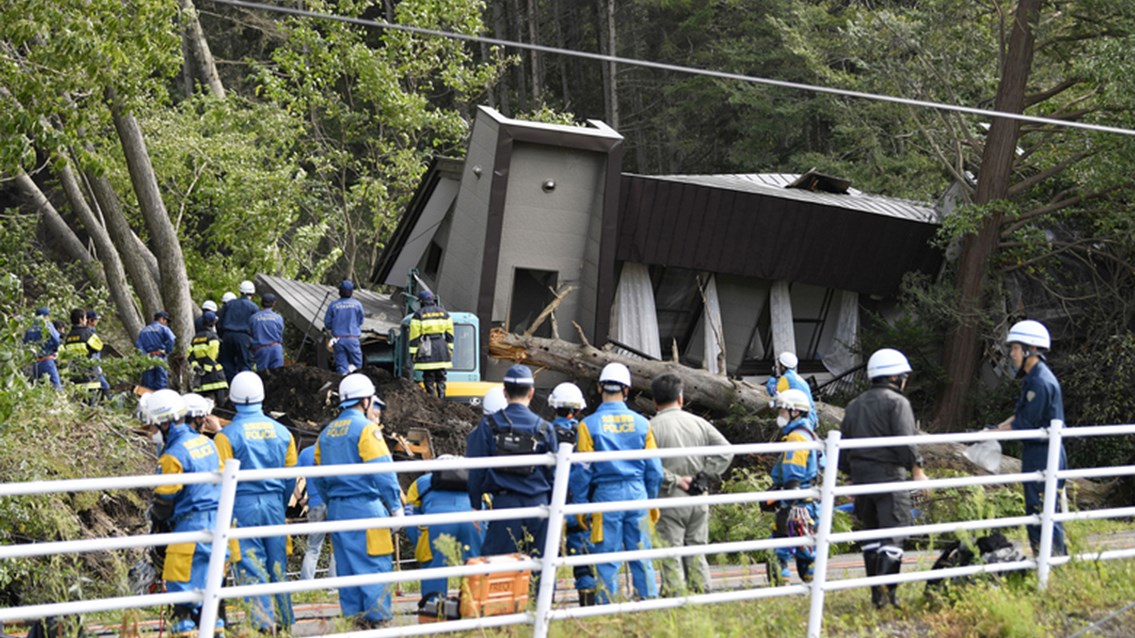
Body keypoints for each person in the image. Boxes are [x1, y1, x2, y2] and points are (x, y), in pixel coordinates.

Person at [839, 348, 928, 609]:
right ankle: (890, 595)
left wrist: (849, 478)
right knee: (894, 535)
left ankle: (875, 596)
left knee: (871, 537)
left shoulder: (854, 405)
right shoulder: (898, 403)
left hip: (861, 480)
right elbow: (904, 441)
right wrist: (917, 469)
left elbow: (844, 446)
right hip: (890, 479)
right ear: (895, 377)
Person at [313, 374, 403, 628]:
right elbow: (382, 470)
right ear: (365, 400)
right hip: (366, 507)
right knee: (374, 565)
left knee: (348, 567)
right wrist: (395, 506)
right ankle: (378, 622)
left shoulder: (327, 433)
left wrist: (332, 500)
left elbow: (317, 474)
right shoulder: (366, 429)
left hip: (338, 509)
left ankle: (355, 622)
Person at [572, 363, 663, 603]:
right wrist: (650, 500)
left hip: (606, 497)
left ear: (600, 387)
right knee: (642, 554)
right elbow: (655, 470)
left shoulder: (587, 425)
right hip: (637, 493)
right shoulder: (644, 424)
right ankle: (648, 601)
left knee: (606, 556)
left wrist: (581, 505)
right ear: (626, 390)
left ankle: (608, 606)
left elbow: (582, 472)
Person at [213, 371, 297, 631]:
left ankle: (262, 625)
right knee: (277, 563)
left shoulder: (225, 437)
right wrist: (280, 503)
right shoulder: (284, 433)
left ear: (233, 398)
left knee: (250, 563)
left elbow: (220, 482)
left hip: (241, 505)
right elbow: (290, 478)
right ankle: (285, 621)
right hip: (274, 503)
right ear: (262, 396)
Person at [145, 389, 226, 638]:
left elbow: (164, 502)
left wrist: (158, 533)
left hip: (188, 530)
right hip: (218, 526)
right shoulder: (207, 443)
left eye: (153, 427)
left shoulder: (173, 455)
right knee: (212, 595)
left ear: (166, 423)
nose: (152, 433)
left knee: (182, 598)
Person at [648, 373, 733, 596]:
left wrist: (675, 479)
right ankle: (702, 592)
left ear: (655, 401)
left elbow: (648, 463)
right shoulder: (699, 423)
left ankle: (676, 597)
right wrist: (704, 476)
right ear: (681, 398)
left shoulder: (651, 427)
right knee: (697, 549)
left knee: (671, 551)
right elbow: (726, 451)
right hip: (698, 495)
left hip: (670, 497)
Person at [466, 364, 557, 558]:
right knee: (540, 563)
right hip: (539, 505)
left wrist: (475, 504)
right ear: (531, 393)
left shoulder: (488, 425)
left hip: (505, 505)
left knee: (497, 566)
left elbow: (475, 469)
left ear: (505, 393)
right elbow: (554, 475)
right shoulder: (545, 428)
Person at [995, 320, 1068, 557]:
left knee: (1042, 511)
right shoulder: (1033, 377)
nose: (1012, 354)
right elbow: (1020, 414)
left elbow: (1026, 423)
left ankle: (1051, 562)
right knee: (1038, 509)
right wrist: (996, 429)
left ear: (1030, 350)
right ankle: (1047, 561)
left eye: (1015, 348)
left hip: (1044, 453)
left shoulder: (1040, 381)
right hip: (1039, 452)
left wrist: (995, 433)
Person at [405, 455, 484, 608]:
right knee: (475, 565)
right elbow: (487, 503)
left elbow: (410, 517)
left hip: (438, 521)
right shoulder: (474, 477)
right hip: (473, 520)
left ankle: (435, 612)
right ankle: (476, 608)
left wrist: (421, 547)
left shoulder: (421, 482)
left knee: (434, 568)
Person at [547, 382, 598, 605]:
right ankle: (587, 605)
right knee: (583, 561)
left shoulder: (544, 433)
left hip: (550, 506)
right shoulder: (585, 434)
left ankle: (545, 604)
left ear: (553, 406)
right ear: (578, 409)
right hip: (579, 507)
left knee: (547, 559)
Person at [768, 388, 820, 584]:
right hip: (810, 501)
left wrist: (785, 502)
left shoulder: (796, 438)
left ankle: (781, 581)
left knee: (781, 541)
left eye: (782, 411)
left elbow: (793, 472)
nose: (780, 416)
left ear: (795, 412)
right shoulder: (809, 433)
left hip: (796, 500)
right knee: (806, 544)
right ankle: (810, 578)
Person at [296, 443, 336, 581]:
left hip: (314, 504)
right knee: (337, 547)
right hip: (333, 502)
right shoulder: (334, 448)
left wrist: (300, 498)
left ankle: (306, 584)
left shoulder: (305, 453)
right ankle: (333, 585)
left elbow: (291, 477)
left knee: (313, 547)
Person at [409, 290, 454, 399]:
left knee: (428, 376)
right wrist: (450, 349)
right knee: (441, 376)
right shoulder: (444, 313)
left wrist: (413, 353)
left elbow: (414, 336)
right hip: (441, 347)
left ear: (422, 302)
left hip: (427, 347)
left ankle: (432, 400)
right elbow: (450, 333)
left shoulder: (419, 314)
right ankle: (442, 398)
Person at [217, 281, 258, 382]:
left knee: (227, 363)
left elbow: (219, 323)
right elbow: (255, 326)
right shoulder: (253, 307)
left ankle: (230, 385)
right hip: (243, 338)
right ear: (252, 294)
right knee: (245, 363)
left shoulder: (229, 304)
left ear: (240, 292)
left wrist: (221, 336)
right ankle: (243, 387)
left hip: (227, 336)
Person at [765, 352, 818, 429]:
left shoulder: (786, 378)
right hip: (810, 418)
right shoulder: (799, 379)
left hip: (798, 416)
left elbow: (773, 392)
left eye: (779, 365)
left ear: (783, 367)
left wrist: (772, 377)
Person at [324, 280, 365, 374]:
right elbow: (360, 321)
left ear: (339, 291)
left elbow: (327, 323)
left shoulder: (333, 305)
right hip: (352, 339)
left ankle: (343, 383)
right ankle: (356, 383)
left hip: (339, 340)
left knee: (341, 366)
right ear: (351, 292)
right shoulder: (357, 305)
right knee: (357, 366)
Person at [61, 308, 105, 398]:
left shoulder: (68, 336)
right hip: (90, 374)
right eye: (85, 318)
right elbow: (99, 346)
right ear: (81, 320)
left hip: (76, 375)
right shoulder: (87, 333)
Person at [189, 311, 228, 407]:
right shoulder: (213, 337)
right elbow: (212, 354)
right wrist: (207, 369)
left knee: (201, 401)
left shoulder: (195, 338)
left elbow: (190, 354)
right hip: (213, 373)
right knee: (221, 394)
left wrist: (197, 367)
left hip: (200, 374)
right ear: (213, 323)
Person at [136, 311, 176, 391]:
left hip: (147, 359)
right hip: (159, 356)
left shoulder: (144, 330)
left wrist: (144, 356)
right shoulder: (163, 328)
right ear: (161, 319)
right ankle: (159, 399)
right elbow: (171, 339)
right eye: (166, 321)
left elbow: (138, 344)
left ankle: (150, 400)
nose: (166, 323)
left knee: (148, 382)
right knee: (161, 380)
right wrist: (168, 350)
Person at [23, 307, 61, 390]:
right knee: (56, 390)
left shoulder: (30, 327)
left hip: (35, 363)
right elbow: (56, 340)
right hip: (47, 361)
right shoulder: (47, 325)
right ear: (46, 316)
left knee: (41, 389)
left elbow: (25, 344)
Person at [250, 293, 285, 371]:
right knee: (278, 375)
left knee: (263, 376)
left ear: (262, 303)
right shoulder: (278, 318)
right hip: (276, 349)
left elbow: (251, 334)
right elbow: (280, 333)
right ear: (274, 304)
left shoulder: (253, 318)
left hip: (261, 350)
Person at [86, 310, 111, 394]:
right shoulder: (89, 333)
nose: (96, 322)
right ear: (89, 321)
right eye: (95, 320)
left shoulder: (91, 331)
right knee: (105, 386)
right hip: (92, 367)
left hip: (92, 366)